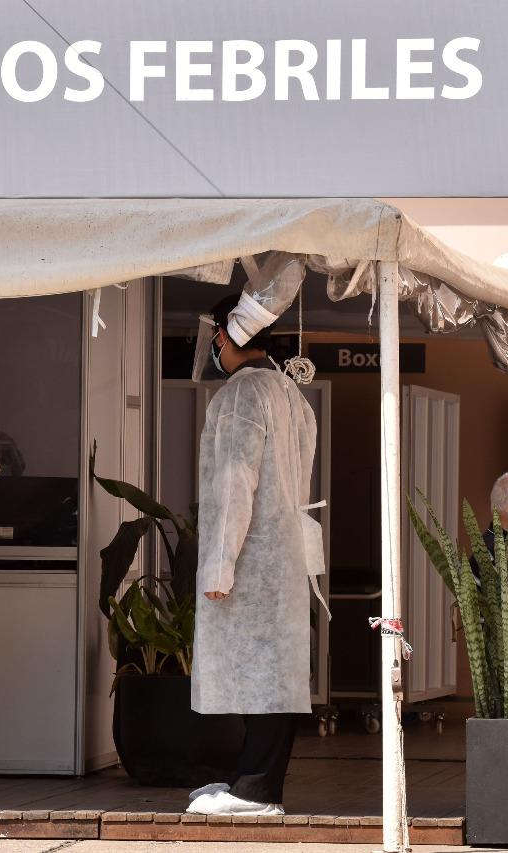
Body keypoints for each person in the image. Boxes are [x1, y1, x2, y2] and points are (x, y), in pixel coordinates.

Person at [186, 294, 318, 818]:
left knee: (261, 674)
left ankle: (257, 789)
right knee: (274, 671)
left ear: (224, 335)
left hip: (251, 551)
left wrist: (220, 563)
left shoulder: (243, 394)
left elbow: (235, 482)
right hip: (282, 550)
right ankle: (249, 780)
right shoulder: (289, 393)